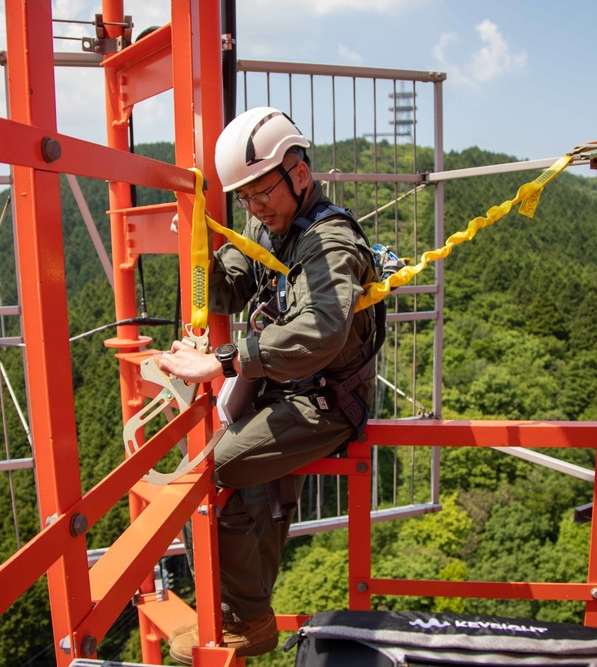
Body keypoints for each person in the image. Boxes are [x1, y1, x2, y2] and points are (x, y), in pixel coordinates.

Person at [156, 106, 380, 664]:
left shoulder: (328, 242)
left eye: (262, 194)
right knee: (253, 481)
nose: (255, 208)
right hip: (288, 383)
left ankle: (246, 620)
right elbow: (232, 285)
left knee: (222, 467)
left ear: (299, 174)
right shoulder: (270, 228)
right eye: (247, 199)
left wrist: (226, 361)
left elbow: (321, 330)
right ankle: (248, 612)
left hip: (325, 399)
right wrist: (198, 253)